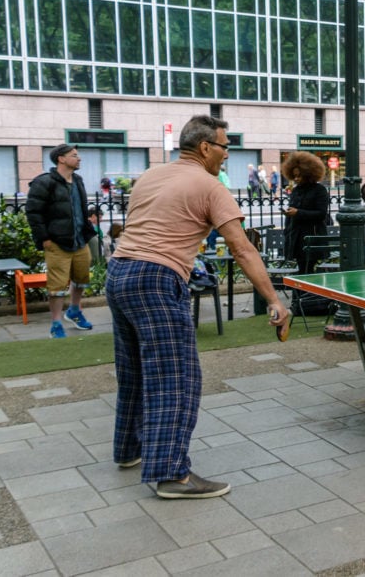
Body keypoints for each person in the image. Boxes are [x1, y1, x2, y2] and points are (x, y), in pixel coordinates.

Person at [107, 115, 289, 500]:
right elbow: (242, 248)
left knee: (134, 369)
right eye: (225, 147)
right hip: (156, 278)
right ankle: (172, 475)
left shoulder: (151, 176)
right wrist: (273, 299)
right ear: (205, 147)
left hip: (118, 273)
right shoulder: (210, 185)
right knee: (176, 378)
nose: (226, 155)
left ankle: (130, 449)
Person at [25, 144, 98, 339]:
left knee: (82, 280)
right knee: (57, 288)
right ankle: (56, 323)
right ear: (61, 159)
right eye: (74, 155)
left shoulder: (78, 180)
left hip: (79, 240)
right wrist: (44, 239)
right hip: (56, 243)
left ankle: (74, 310)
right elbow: (33, 212)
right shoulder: (44, 182)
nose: (79, 158)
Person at [281, 152, 330, 274]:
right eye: (294, 176)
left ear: (308, 174)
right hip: (296, 236)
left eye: (299, 176)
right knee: (302, 268)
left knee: (307, 268)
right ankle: (301, 292)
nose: (296, 179)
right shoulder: (296, 190)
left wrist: (298, 213)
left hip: (312, 236)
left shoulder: (320, 190)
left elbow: (321, 214)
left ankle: (304, 292)